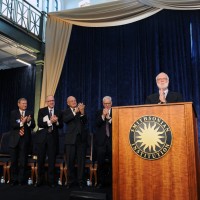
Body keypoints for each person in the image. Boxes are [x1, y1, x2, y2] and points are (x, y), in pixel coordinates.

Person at [35, 95, 63, 187]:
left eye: (53, 100)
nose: (51, 102)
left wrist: (57, 121)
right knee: (41, 160)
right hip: (42, 139)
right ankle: (39, 180)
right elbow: (39, 123)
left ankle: (51, 181)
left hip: (53, 139)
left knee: (52, 161)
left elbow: (61, 125)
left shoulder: (58, 111)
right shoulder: (42, 111)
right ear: (47, 102)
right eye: (50, 101)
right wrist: (50, 122)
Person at [62, 96, 87, 189]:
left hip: (81, 140)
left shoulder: (81, 109)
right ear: (68, 103)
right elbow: (66, 120)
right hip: (70, 140)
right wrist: (75, 112)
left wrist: (82, 112)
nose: (74, 102)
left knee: (81, 162)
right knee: (70, 161)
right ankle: (70, 181)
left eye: (75, 100)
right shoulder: (65, 112)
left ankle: (80, 181)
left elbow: (85, 121)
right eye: (71, 101)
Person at [9, 98, 35, 186]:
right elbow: (13, 124)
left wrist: (28, 122)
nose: (25, 105)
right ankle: (13, 179)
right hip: (14, 140)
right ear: (18, 104)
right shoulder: (13, 113)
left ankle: (21, 180)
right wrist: (22, 122)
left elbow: (33, 125)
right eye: (23, 103)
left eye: (26, 103)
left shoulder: (30, 113)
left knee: (23, 161)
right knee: (14, 161)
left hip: (25, 140)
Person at [95, 96, 112, 188]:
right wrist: (103, 116)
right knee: (100, 163)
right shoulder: (98, 112)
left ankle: (112, 181)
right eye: (105, 103)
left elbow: (118, 124)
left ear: (111, 103)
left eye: (108, 103)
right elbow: (96, 124)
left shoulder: (115, 112)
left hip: (112, 141)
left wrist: (109, 118)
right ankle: (101, 182)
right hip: (101, 142)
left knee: (112, 163)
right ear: (103, 104)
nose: (107, 105)